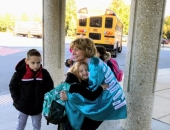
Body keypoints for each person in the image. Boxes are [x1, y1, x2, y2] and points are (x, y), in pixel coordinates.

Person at [60, 38, 127, 130]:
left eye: (76, 50)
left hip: (108, 102)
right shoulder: (93, 61)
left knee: (83, 126)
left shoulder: (94, 66)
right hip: (109, 99)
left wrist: (69, 96)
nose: (73, 53)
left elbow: (91, 95)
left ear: (86, 50)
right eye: (73, 50)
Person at [9, 49, 54, 130]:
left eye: (38, 63)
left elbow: (50, 88)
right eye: (33, 63)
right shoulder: (20, 73)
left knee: (36, 127)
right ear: (27, 61)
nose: (36, 65)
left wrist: (45, 101)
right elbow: (12, 86)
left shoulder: (44, 73)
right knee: (20, 126)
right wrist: (17, 100)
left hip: (37, 107)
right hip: (23, 106)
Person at [57, 61, 108, 130]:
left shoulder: (78, 82)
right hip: (73, 119)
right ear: (76, 73)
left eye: (86, 70)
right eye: (81, 71)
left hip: (71, 118)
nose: (85, 72)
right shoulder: (76, 85)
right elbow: (91, 97)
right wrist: (101, 88)